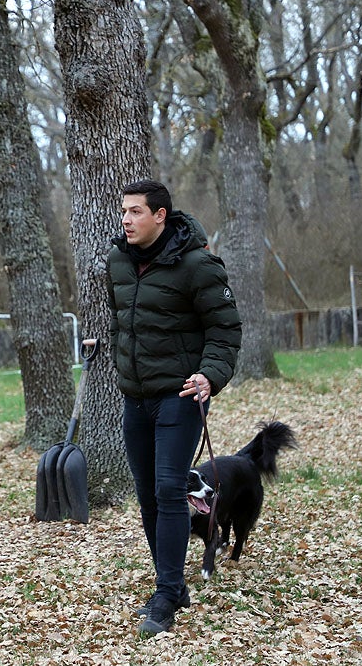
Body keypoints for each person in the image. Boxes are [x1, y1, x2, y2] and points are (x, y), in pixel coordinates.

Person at [105, 180, 241, 635]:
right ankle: (175, 585)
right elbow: (123, 320)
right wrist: (107, 344)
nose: (126, 219)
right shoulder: (117, 261)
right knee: (147, 495)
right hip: (135, 399)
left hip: (180, 396)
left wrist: (210, 375)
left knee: (168, 490)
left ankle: (166, 594)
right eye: (124, 211)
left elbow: (225, 330)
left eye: (136, 212)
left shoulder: (197, 265)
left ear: (160, 215)